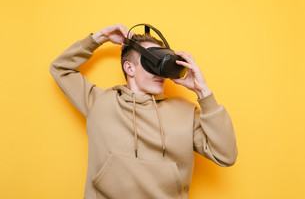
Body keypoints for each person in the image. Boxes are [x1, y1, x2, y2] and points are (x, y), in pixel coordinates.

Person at [49, 23, 238, 199]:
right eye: (152, 63)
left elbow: (226, 156)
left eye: (162, 64)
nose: (159, 73)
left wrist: (202, 92)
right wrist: (100, 37)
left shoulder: (185, 111)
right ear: (129, 68)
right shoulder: (98, 102)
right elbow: (60, 68)